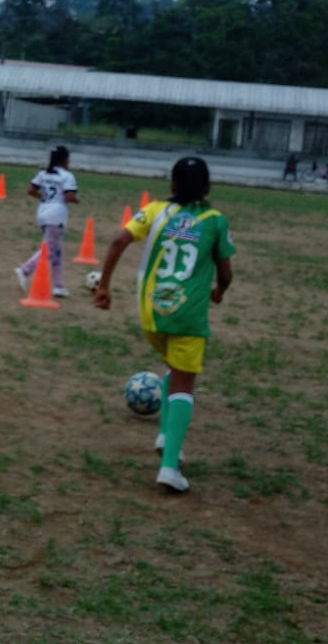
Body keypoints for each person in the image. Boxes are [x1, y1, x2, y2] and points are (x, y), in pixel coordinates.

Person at [92, 156, 234, 494]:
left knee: (173, 368)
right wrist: (219, 291)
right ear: (208, 188)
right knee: (184, 383)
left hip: (152, 314)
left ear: (171, 185)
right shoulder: (215, 220)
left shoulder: (154, 211)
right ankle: (169, 467)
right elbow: (226, 271)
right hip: (188, 316)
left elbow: (119, 241)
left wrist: (104, 286)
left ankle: (165, 435)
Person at [15, 145, 78, 299]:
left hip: (42, 212)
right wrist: (76, 200)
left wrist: (43, 198)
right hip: (56, 215)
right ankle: (24, 269)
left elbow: (31, 190)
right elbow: (68, 196)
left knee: (56, 251)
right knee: (49, 249)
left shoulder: (43, 173)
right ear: (65, 160)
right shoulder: (67, 176)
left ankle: (58, 286)